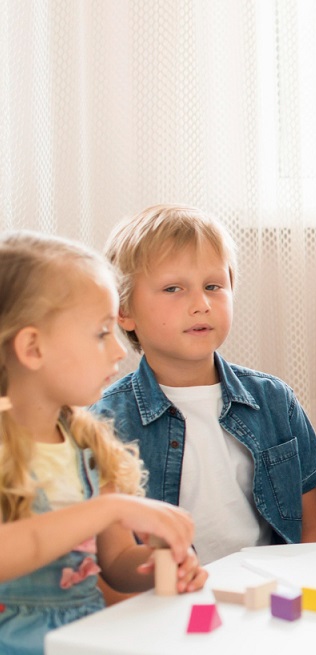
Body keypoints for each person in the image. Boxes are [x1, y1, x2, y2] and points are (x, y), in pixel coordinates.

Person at [0, 231, 205, 655]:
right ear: (32, 347)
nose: (118, 350)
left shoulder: (87, 444)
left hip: (87, 637)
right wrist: (108, 508)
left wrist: (161, 562)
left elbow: (115, 566)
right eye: (101, 333)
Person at [93, 204, 316, 565]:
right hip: (168, 603)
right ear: (123, 311)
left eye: (213, 286)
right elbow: (110, 561)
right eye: (173, 288)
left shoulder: (274, 400)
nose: (201, 304)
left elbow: (311, 530)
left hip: (268, 595)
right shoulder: (106, 422)